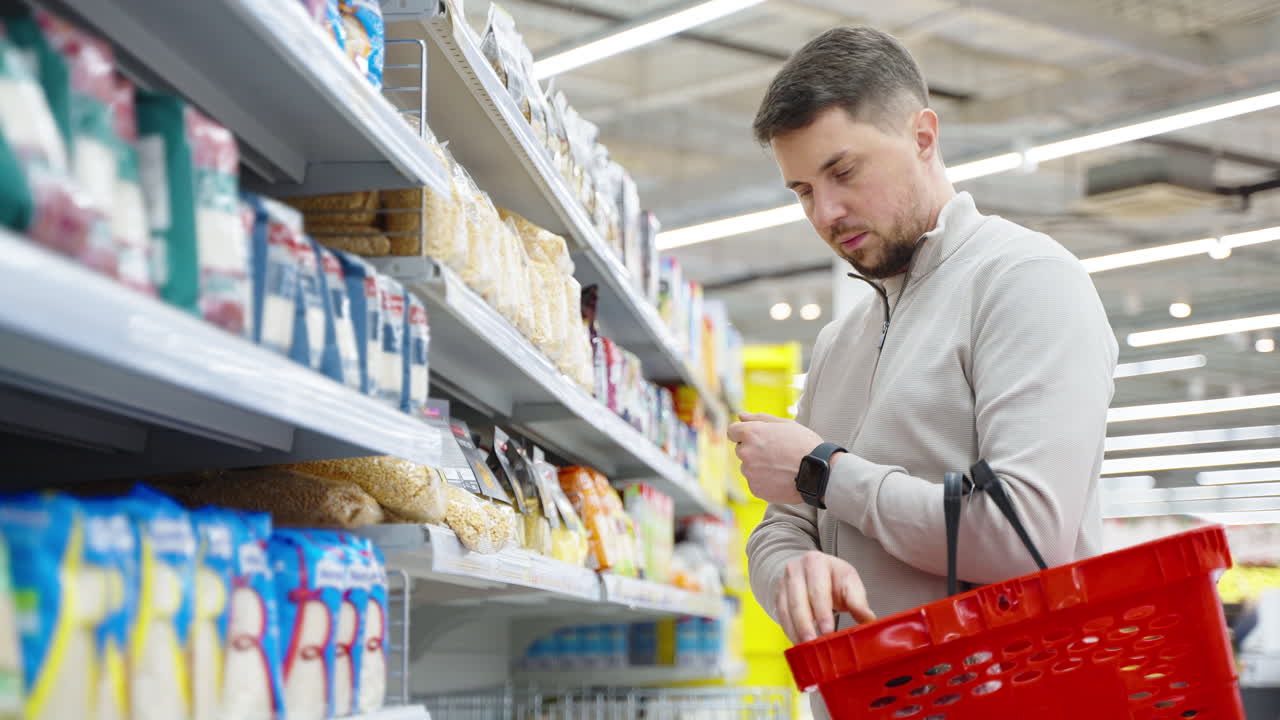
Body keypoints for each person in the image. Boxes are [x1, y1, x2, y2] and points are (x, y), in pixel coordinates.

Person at [731, 25, 1118, 663]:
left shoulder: (1026, 281)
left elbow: (1024, 537)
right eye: (802, 191)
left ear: (923, 136)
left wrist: (824, 470)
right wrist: (792, 573)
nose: (825, 211)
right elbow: (784, 526)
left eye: (843, 170)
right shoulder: (839, 342)